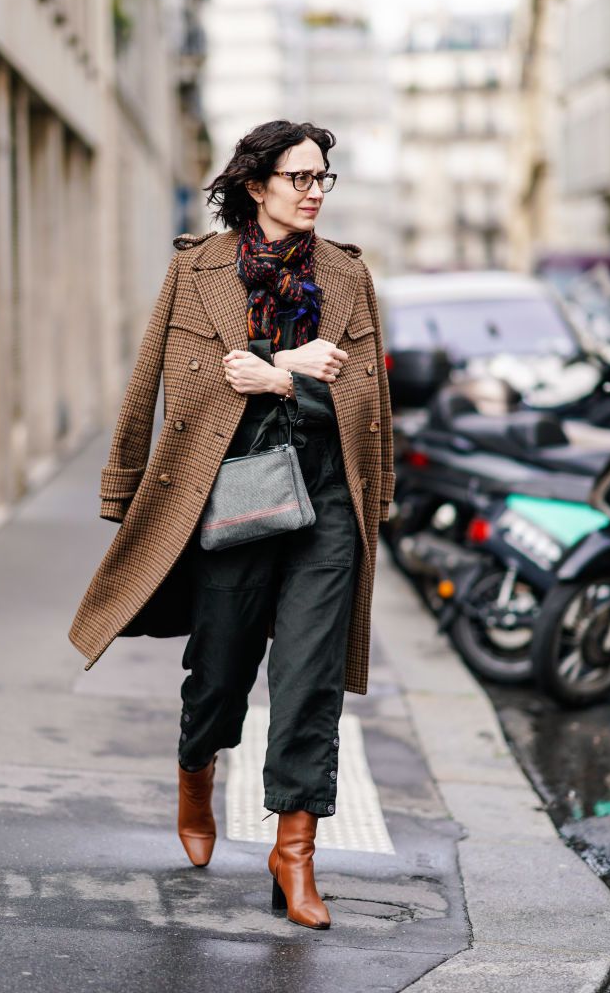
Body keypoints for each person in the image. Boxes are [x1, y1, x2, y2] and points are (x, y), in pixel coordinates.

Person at [67, 120, 395, 931]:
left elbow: (366, 405)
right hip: (227, 499)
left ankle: (294, 853)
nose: (314, 190)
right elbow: (156, 383)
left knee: (308, 682)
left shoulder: (350, 279)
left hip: (324, 503)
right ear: (256, 185)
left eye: (324, 177)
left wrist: (282, 379)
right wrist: (123, 487)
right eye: (299, 177)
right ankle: (194, 766)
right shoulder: (196, 272)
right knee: (218, 674)